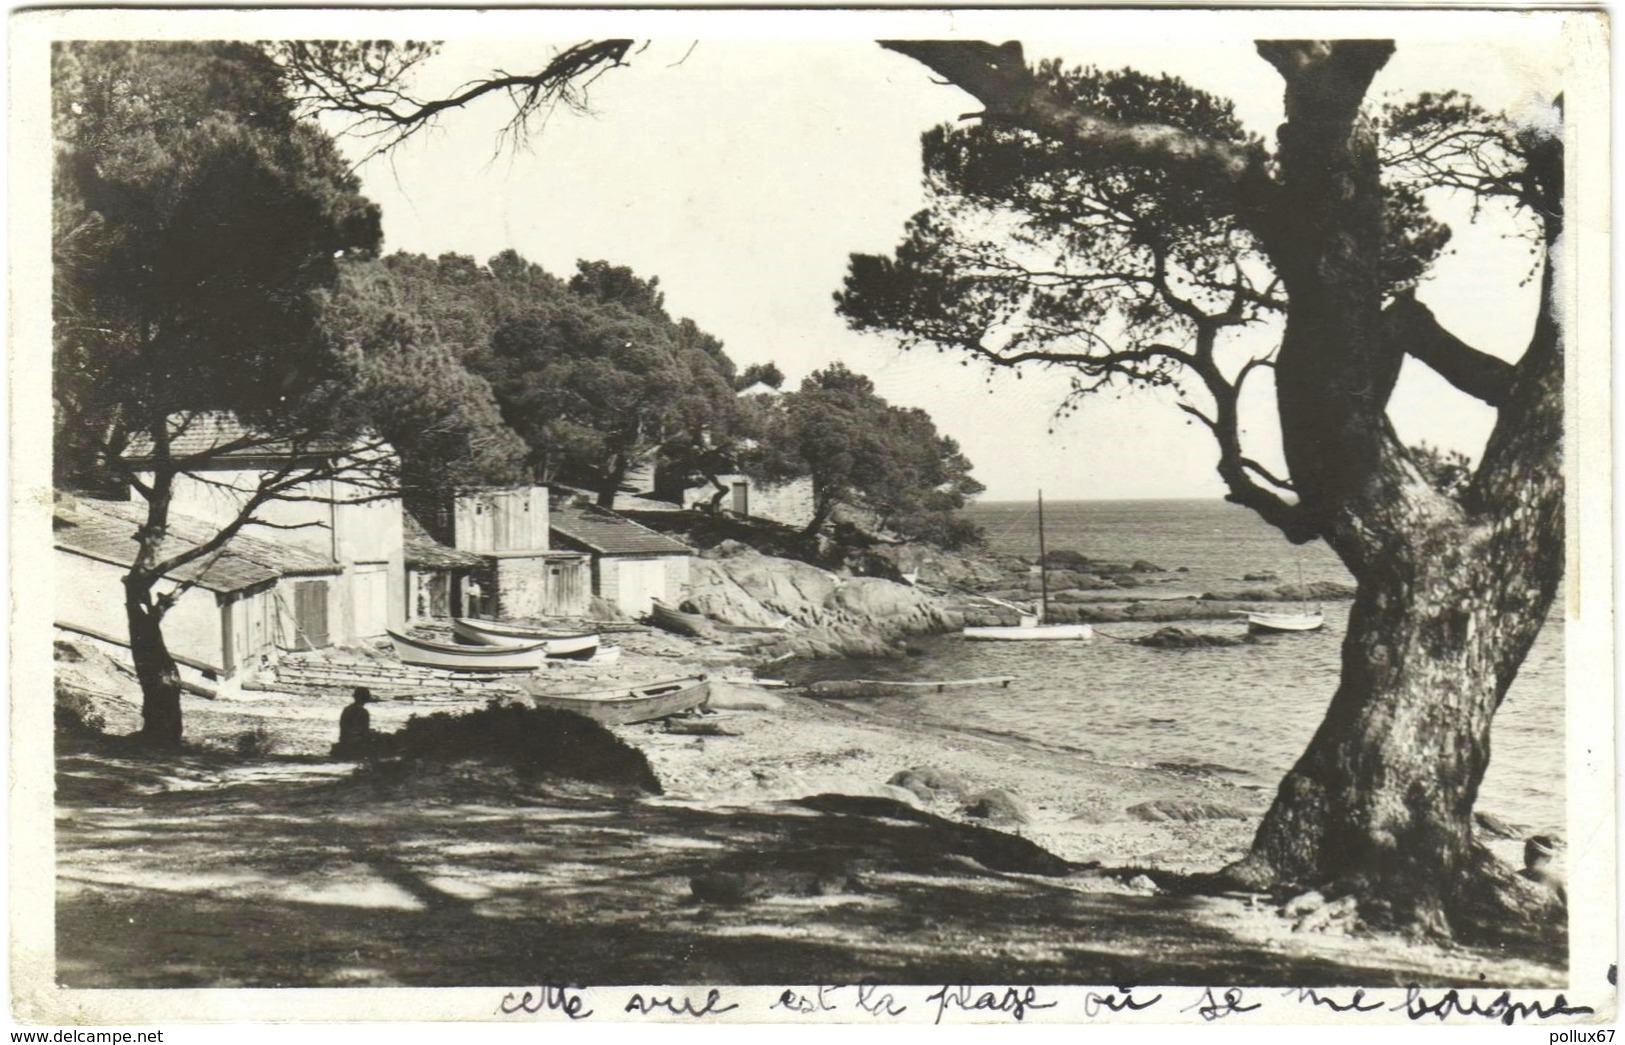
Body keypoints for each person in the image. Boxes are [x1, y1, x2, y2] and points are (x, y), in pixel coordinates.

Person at [1518, 834, 1566, 907]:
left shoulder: (1517, 875)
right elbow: (1566, 907)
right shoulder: (1556, 880)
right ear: (1549, 859)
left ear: (1527, 854)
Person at [334, 687, 374, 758]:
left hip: (344, 740)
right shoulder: (363, 712)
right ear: (366, 698)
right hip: (355, 743)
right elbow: (365, 732)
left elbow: (344, 727)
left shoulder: (347, 709)